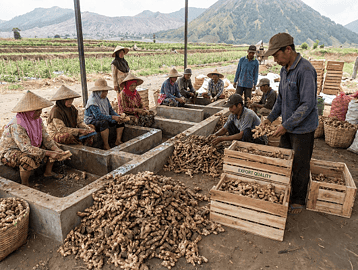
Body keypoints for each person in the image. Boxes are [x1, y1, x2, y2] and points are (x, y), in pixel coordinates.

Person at [261, 32, 318, 214]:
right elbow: (281, 100)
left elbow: (307, 104)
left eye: (276, 55)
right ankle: (285, 193)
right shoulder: (284, 70)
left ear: (288, 49)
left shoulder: (305, 70)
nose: (275, 60)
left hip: (302, 129)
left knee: (300, 165)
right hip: (287, 126)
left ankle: (299, 200)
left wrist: (285, 125)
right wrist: (270, 119)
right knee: (285, 160)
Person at [0, 91, 68, 186]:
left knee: (53, 147)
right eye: (36, 110)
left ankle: (47, 173)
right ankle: (25, 184)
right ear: (28, 111)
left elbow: (46, 138)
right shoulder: (17, 124)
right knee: (27, 160)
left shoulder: (37, 120)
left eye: (40, 109)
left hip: (28, 146)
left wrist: (56, 150)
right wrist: (49, 153)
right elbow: (26, 148)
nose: (40, 112)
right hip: (11, 151)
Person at [84, 78, 126, 150]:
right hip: (92, 120)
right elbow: (98, 116)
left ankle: (118, 141)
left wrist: (118, 117)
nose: (106, 93)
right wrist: (112, 117)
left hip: (104, 117)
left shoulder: (105, 99)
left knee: (120, 122)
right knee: (104, 123)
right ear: (99, 91)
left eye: (106, 91)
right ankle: (106, 145)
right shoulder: (92, 101)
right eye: (104, 91)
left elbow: (110, 110)